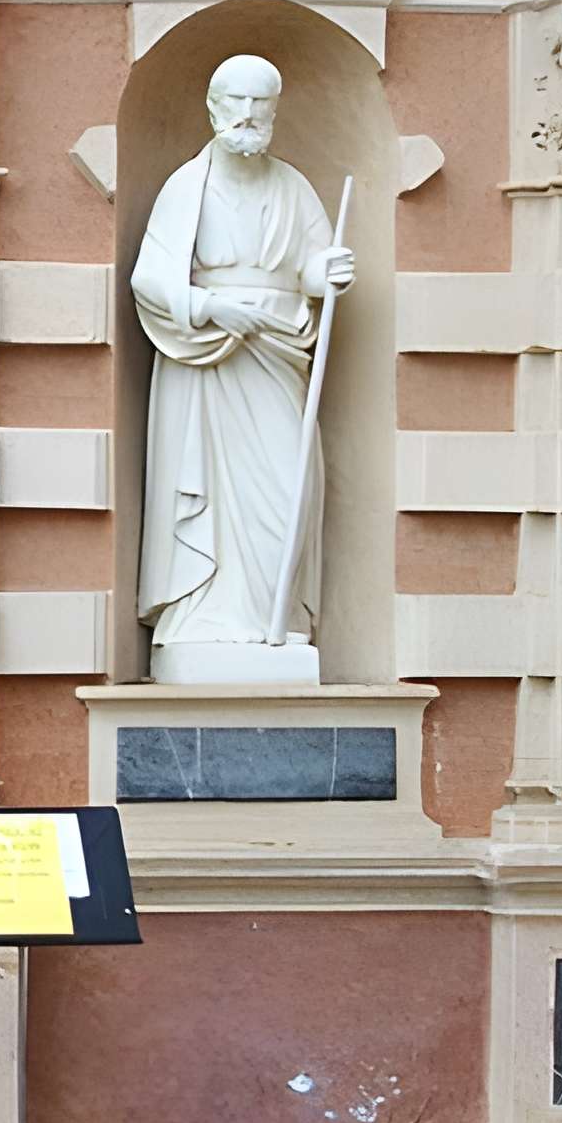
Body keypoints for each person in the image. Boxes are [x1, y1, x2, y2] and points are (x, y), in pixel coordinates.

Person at [129, 54, 354, 675]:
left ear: (275, 111)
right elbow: (150, 279)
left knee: (290, 488)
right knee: (207, 491)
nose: (248, 115)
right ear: (212, 106)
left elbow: (308, 266)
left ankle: (270, 625)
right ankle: (204, 619)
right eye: (237, 102)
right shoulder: (186, 186)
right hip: (206, 361)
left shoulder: (292, 185)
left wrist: (325, 272)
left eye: (261, 104)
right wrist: (211, 307)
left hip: (277, 356)